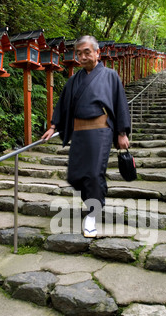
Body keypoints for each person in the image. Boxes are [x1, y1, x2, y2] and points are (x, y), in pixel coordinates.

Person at [42, 35, 131, 238]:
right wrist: (54, 125)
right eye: (79, 53)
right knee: (75, 175)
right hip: (79, 132)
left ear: (97, 53)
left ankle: (93, 213)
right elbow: (63, 105)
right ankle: (95, 199)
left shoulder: (110, 76)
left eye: (87, 52)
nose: (82, 56)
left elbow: (120, 104)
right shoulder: (74, 80)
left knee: (93, 173)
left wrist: (122, 133)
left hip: (101, 132)